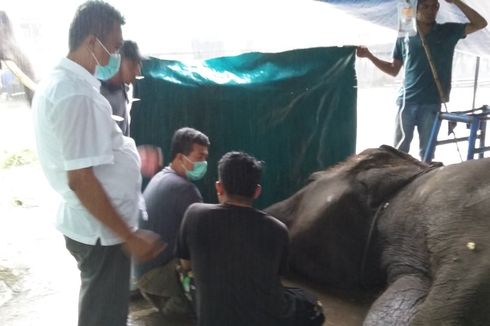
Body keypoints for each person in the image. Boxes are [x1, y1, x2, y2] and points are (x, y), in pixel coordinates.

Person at [31, 1, 164, 325]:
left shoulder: (70, 85)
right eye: (114, 48)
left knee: (102, 309)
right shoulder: (75, 94)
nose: (115, 57)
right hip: (101, 232)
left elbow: (89, 156)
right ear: (92, 42)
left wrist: (130, 156)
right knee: (103, 317)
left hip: (97, 228)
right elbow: (81, 179)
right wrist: (129, 236)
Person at [176, 151, 325, 326]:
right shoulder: (277, 229)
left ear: (219, 187)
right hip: (265, 317)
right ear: (256, 191)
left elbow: (185, 265)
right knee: (311, 303)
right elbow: (275, 278)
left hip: (212, 318)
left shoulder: (194, 214)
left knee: (187, 280)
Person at [356, 0, 487, 159]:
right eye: (425, 6)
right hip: (406, 102)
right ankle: (401, 182)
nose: (431, 10)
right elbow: (393, 69)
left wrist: (457, 2)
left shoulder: (447, 31)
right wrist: (369, 56)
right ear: (415, 9)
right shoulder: (405, 33)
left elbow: (481, 23)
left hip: (432, 102)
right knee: (399, 153)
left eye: (435, 6)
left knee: (427, 153)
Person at [136, 127, 210, 317]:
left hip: (144, 277)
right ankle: (185, 303)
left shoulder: (161, 177)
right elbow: (203, 240)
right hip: (159, 281)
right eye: (199, 157)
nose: (204, 163)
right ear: (180, 158)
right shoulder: (185, 190)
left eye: (205, 157)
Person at [99, 40, 141, 136]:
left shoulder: (122, 90)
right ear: (117, 61)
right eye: (132, 66)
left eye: (138, 66)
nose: (137, 72)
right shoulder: (100, 96)